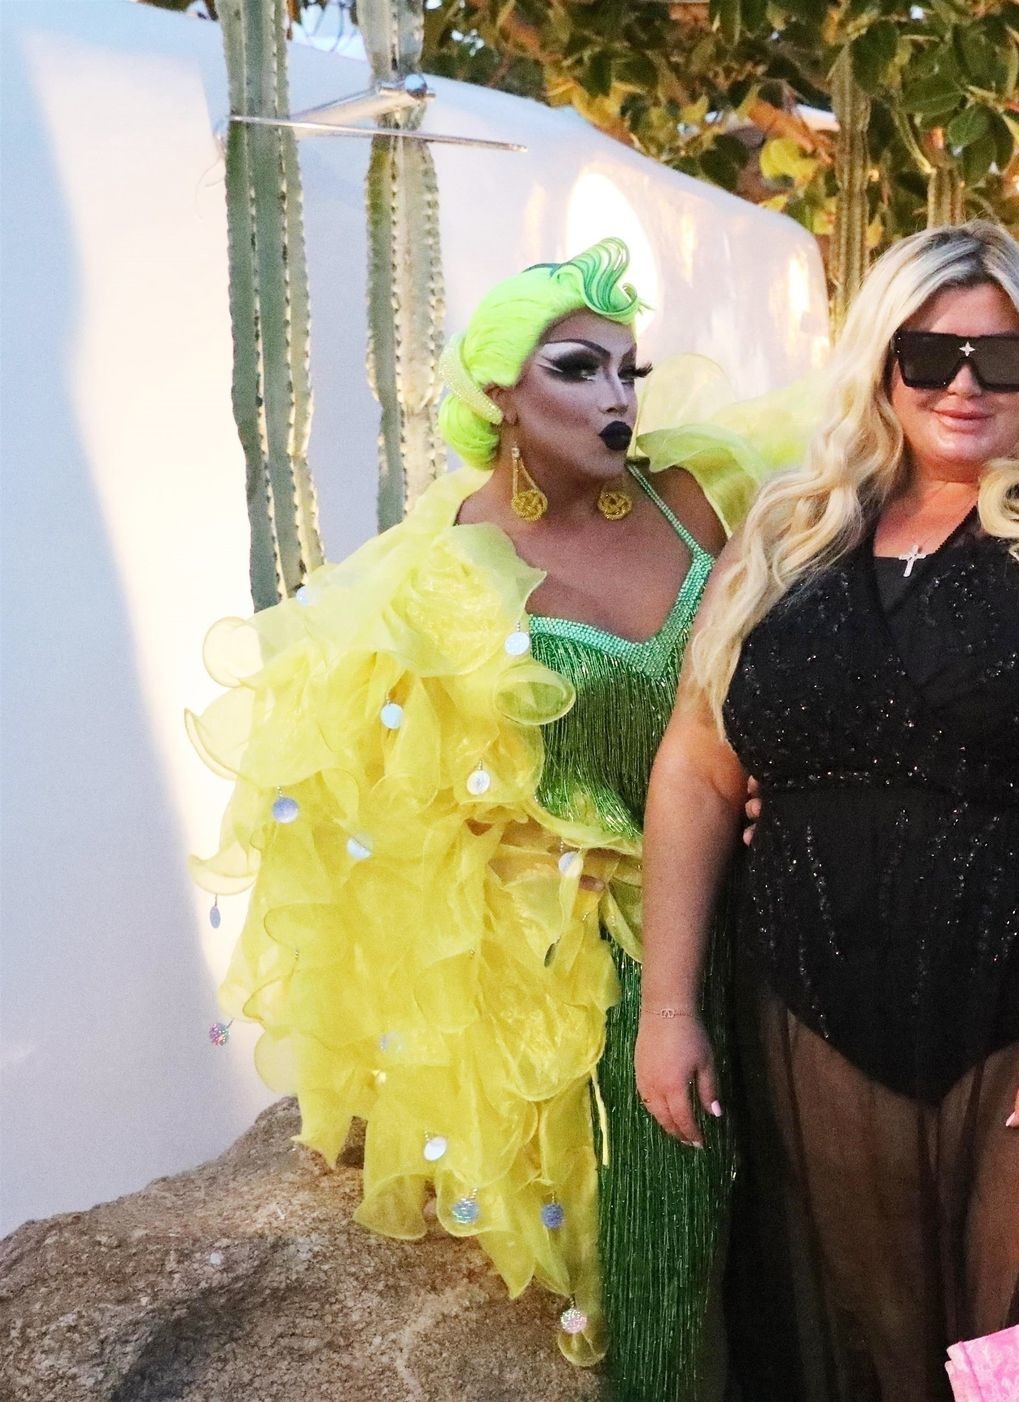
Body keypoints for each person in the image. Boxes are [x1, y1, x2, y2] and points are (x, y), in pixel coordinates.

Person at [632, 221, 1019, 1401]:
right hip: (815, 1023)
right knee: (872, 1366)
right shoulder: (789, 529)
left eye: (1000, 358)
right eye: (929, 354)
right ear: (880, 361)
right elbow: (696, 769)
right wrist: (668, 1003)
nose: (965, 385)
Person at [190, 240, 793, 1397]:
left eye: (628, 371)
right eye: (578, 368)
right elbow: (402, 819)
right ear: (501, 394)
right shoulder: (446, 573)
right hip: (600, 966)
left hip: (765, 912)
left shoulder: (702, 498)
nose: (617, 397)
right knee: (662, 1235)